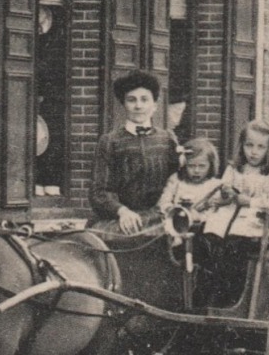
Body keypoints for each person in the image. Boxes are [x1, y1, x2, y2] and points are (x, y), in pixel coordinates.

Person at [90, 70, 180, 236]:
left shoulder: (167, 139)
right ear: (124, 105)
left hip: (158, 217)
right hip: (120, 219)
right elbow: (99, 191)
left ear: (155, 105)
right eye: (131, 100)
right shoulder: (110, 141)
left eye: (144, 99)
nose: (138, 106)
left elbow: (177, 181)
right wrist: (122, 211)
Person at [203, 117, 269, 240]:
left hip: (260, 221)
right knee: (210, 229)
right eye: (249, 145)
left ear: (268, 149)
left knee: (236, 233)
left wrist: (251, 202)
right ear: (242, 145)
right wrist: (225, 194)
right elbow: (222, 191)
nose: (254, 152)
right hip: (230, 216)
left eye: (261, 147)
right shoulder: (235, 169)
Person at [157, 137, 223, 249]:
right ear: (184, 165)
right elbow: (164, 201)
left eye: (202, 166)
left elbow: (215, 210)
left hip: (202, 230)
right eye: (191, 166)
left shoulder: (214, 186)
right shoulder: (176, 181)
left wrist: (200, 217)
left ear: (210, 165)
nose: (196, 170)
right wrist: (172, 210)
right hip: (177, 225)